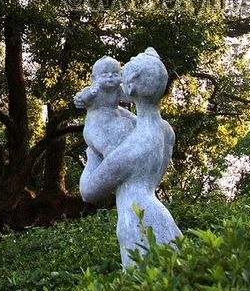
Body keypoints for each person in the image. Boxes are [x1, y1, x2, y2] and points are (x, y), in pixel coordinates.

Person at [79, 48, 181, 267]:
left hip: (138, 220)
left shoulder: (131, 147)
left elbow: (88, 192)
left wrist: (92, 157)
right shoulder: (166, 131)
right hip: (160, 216)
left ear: (131, 87)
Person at [75, 56, 136, 167]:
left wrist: (133, 89)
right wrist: (90, 94)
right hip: (95, 126)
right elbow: (82, 98)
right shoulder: (94, 90)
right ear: (94, 78)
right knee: (103, 142)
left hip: (115, 120)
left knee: (132, 122)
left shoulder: (118, 90)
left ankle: (129, 154)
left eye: (115, 74)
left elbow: (131, 97)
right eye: (104, 75)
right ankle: (111, 157)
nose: (110, 77)